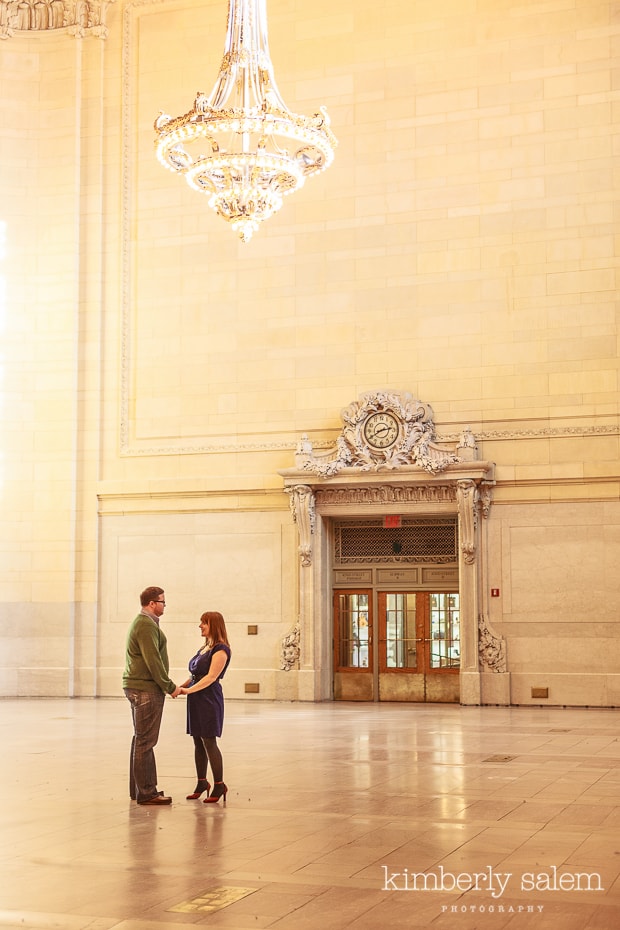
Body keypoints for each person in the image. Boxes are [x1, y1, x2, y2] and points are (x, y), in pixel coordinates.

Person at [123, 586, 181, 805]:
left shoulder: (144, 623)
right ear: (152, 603)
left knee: (141, 739)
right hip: (145, 688)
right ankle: (147, 792)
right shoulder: (145, 625)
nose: (165, 605)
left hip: (139, 686)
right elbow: (153, 660)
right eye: (163, 602)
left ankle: (139, 790)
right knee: (145, 741)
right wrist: (169, 686)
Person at [179, 611, 232, 804]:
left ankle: (219, 784)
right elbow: (196, 676)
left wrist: (188, 691)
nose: (200, 626)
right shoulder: (205, 647)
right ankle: (202, 783)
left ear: (214, 626)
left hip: (209, 699)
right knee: (197, 741)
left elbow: (210, 678)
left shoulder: (220, 649)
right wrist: (181, 687)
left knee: (209, 741)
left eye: (204, 623)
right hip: (196, 697)